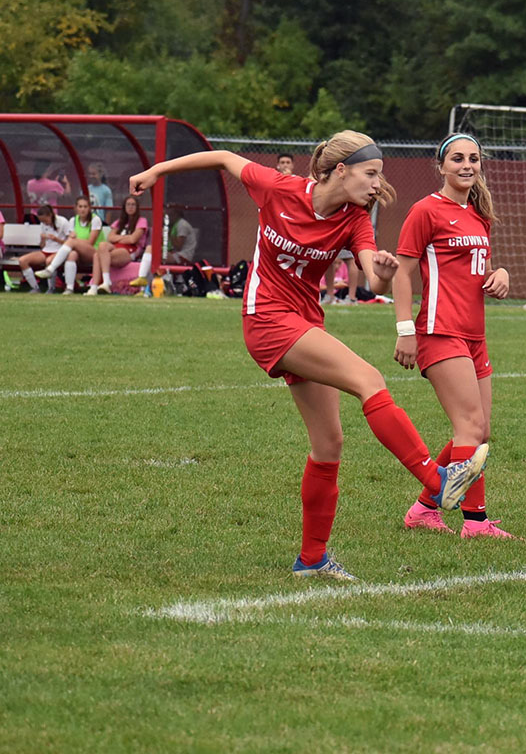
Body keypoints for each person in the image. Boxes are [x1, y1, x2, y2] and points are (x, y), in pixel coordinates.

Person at [129, 130, 488, 579]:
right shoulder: (278, 188)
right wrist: (155, 171)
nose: (378, 184)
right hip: (266, 319)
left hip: (304, 325)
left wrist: (380, 271)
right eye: (371, 173)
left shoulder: (356, 218)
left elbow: (372, 280)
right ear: (342, 170)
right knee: (368, 380)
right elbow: (222, 156)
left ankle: (312, 559)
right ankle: (436, 481)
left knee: (328, 444)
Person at [394, 131, 516, 540]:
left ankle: (424, 509)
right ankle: (476, 523)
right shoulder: (425, 211)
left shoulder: (479, 214)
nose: (467, 165)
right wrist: (405, 329)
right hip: (439, 330)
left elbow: (472, 271)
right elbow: (402, 273)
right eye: (458, 159)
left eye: (474, 159)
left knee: (478, 431)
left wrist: (499, 275)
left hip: (473, 334)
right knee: (469, 427)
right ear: (441, 166)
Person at [34, 195, 103, 293]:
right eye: (80, 206)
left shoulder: (95, 220)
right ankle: (69, 288)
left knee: (71, 241)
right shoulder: (73, 220)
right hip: (78, 252)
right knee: (71, 255)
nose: (82, 209)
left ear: (89, 208)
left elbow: (90, 242)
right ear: (76, 208)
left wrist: (75, 241)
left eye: (85, 207)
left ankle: (51, 269)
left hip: (93, 253)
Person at [85, 195, 148, 295]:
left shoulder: (141, 221)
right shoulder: (119, 222)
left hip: (130, 251)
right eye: (128, 205)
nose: (130, 207)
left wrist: (119, 238)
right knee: (101, 247)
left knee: (99, 255)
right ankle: (95, 287)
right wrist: (125, 238)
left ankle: (104, 283)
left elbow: (133, 239)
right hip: (116, 248)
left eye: (133, 205)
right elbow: (110, 237)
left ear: (137, 207)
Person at [18, 204, 72, 292]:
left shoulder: (62, 221)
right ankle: (35, 287)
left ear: (50, 215)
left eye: (46, 220)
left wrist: (57, 239)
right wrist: (42, 239)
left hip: (60, 251)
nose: (45, 223)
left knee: (49, 261)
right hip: (46, 250)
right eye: (42, 221)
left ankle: (51, 288)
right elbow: (42, 246)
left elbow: (70, 243)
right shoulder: (43, 224)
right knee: (22, 261)